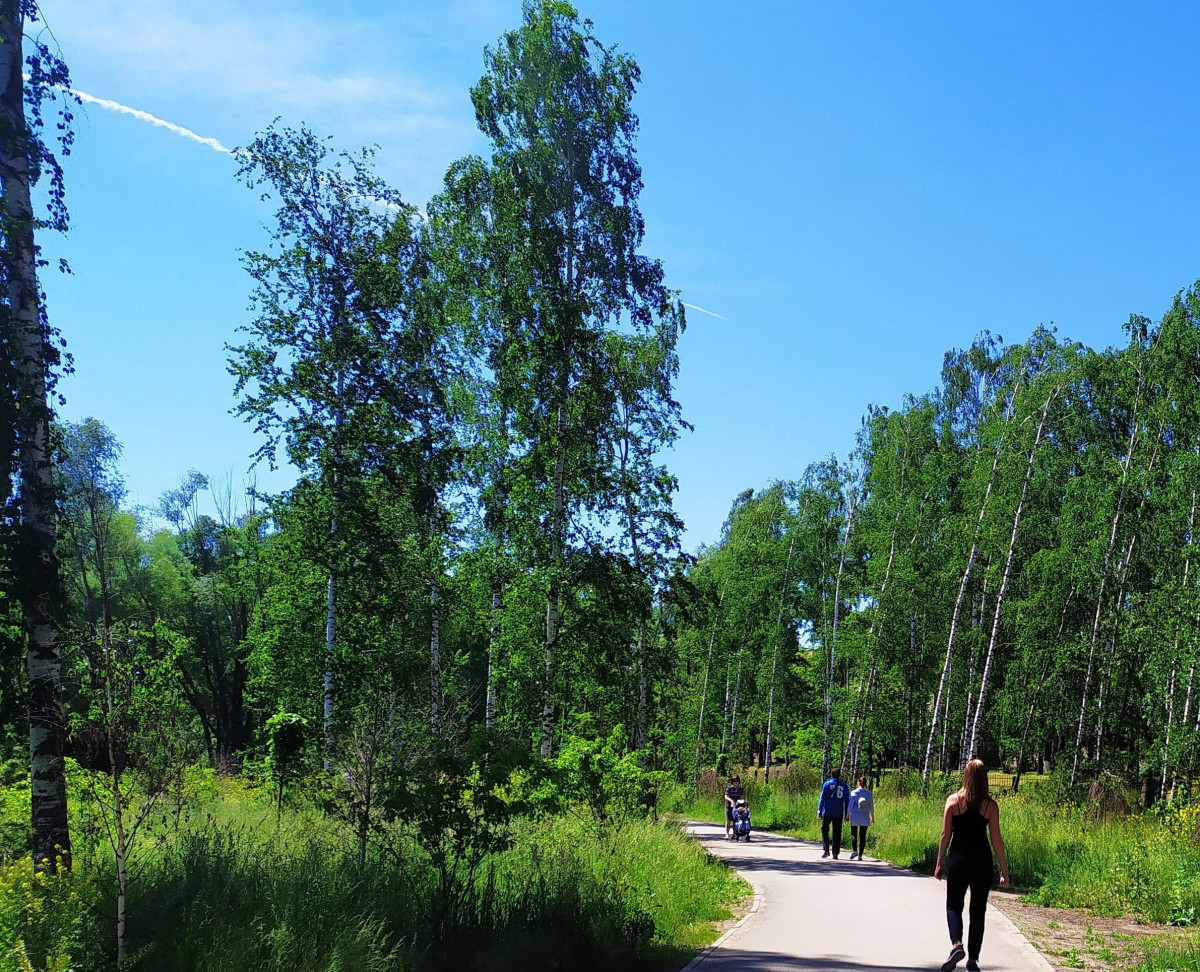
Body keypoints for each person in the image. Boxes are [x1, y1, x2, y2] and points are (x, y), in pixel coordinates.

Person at [934, 759, 1009, 972]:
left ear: (965, 776)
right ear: (984, 778)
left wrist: (940, 861)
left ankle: (957, 945)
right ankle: (973, 960)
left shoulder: (953, 801)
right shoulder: (990, 806)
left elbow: (945, 835)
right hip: (981, 861)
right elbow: (997, 840)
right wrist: (1004, 869)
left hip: (958, 858)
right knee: (978, 910)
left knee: (953, 905)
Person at [817, 767, 850, 859]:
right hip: (838, 812)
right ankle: (835, 853)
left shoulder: (827, 784)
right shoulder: (844, 785)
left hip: (827, 811)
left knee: (824, 830)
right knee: (837, 833)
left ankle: (826, 849)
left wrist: (819, 811)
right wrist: (847, 813)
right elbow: (847, 800)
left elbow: (822, 798)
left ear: (831, 775)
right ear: (839, 775)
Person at [848, 774, 875, 860]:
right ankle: (860, 855)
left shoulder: (854, 793)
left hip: (855, 817)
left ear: (858, 783)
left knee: (853, 833)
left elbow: (850, 806)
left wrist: (847, 815)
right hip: (864, 817)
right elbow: (871, 807)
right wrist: (873, 818)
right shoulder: (869, 794)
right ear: (865, 783)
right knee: (862, 836)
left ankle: (855, 850)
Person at [723, 774, 746, 840]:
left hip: (737, 806)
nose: (736, 783)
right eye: (734, 782)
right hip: (729, 805)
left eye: (737, 782)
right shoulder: (729, 788)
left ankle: (734, 834)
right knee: (728, 820)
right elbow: (726, 796)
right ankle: (727, 834)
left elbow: (742, 796)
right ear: (732, 782)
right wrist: (731, 801)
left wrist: (741, 801)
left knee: (736, 820)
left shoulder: (741, 788)